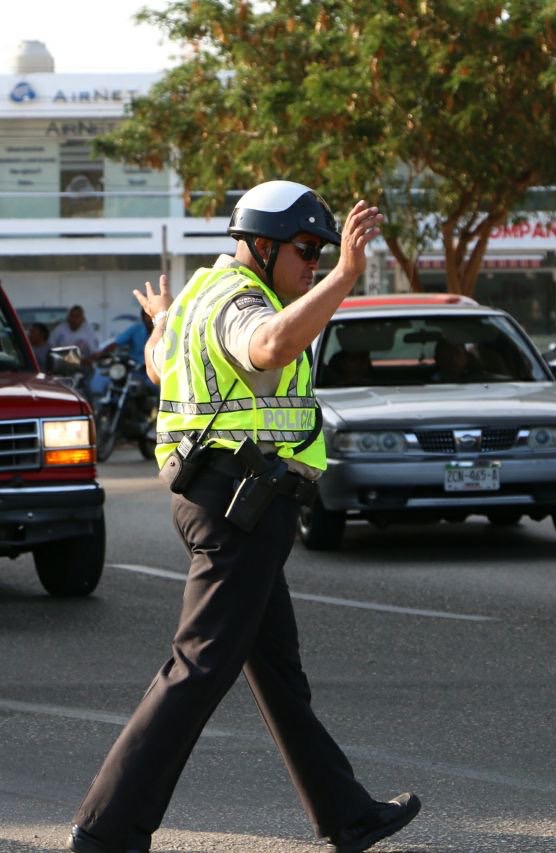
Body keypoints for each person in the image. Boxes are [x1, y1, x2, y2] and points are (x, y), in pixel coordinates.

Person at [67, 181, 420, 853]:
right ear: (261, 246)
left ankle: (347, 813)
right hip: (238, 508)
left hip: (233, 501)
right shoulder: (240, 300)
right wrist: (347, 276)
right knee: (198, 667)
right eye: (306, 251)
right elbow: (267, 347)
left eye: (321, 253)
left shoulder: (200, 296)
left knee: (278, 671)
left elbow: (158, 361)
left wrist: (164, 319)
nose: (313, 264)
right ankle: (106, 828)